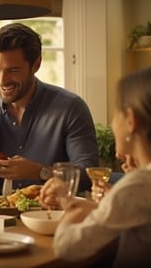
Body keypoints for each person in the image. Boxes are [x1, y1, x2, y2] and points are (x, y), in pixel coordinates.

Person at [0, 22, 99, 193]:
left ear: (36, 65)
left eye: (13, 70)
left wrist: (40, 171)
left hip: (53, 215)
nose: (2, 80)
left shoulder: (71, 108)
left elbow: (89, 175)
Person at [51, 67, 151, 267]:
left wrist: (72, 210)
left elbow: (66, 246)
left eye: (116, 115)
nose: (112, 124)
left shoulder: (140, 184)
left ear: (131, 120)